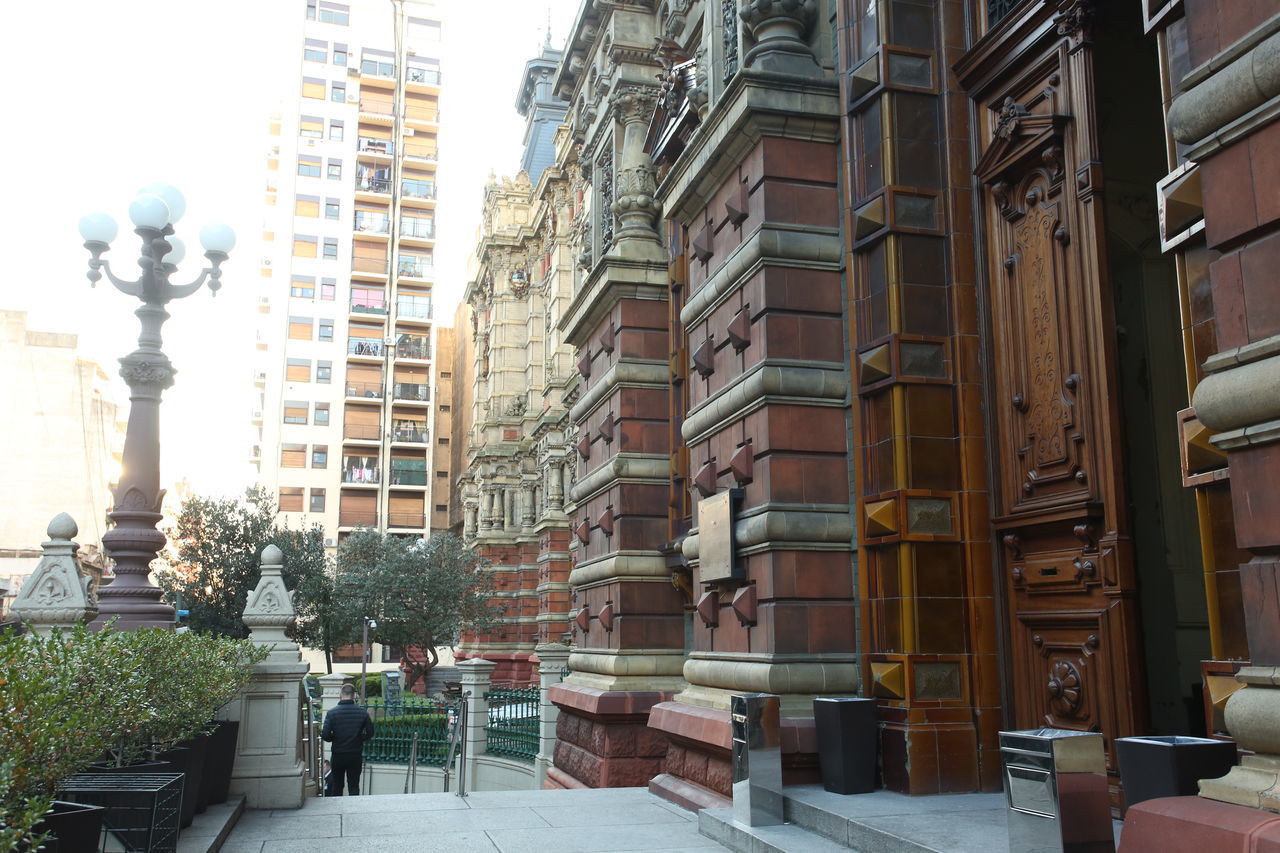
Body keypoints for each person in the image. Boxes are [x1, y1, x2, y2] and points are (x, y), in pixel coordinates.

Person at [321, 683, 374, 796]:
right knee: (354, 786)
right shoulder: (362, 713)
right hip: (355, 754)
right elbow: (370, 733)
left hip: (338, 754)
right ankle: (353, 810)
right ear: (354, 696)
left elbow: (325, 735)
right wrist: (359, 738)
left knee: (337, 785)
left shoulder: (332, 713)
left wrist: (334, 738)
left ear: (340, 695)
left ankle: (337, 811)